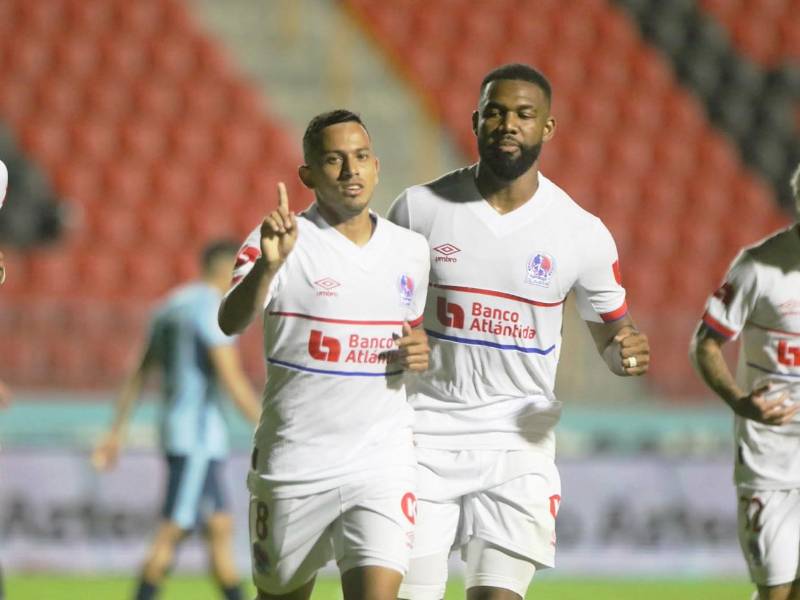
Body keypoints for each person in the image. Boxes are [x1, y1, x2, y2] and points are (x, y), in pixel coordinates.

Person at [387, 63, 651, 600]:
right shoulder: (419, 208)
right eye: (496, 112)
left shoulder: (582, 233)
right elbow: (380, 308)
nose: (509, 123)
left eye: (525, 114)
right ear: (476, 121)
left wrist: (626, 351)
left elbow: (611, 333)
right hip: (421, 434)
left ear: (547, 128)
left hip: (518, 442)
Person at [218, 109, 431, 600]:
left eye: (360, 157)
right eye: (334, 160)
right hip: (295, 464)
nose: (350, 170)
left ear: (376, 166)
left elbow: (414, 337)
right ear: (308, 175)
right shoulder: (279, 240)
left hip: (382, 460)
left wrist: (421, 349)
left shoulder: (411, 250)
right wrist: (267, 269)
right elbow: (230, 321)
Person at [92, 239, 262, 600]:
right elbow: (230, 377)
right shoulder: (209, 308)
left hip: (177, 430)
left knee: (219, 527)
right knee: (174, 528)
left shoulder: (169, 306)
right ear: (226, 269)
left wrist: (115, 432)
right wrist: (269, 428)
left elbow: (138, 373)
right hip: (198, 436)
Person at [690, 162, 800, 600]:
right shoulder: (759, 267)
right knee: (777, 591)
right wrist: (740, 402)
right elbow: (706, 344)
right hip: (768, 460)